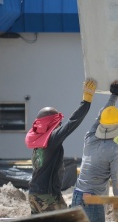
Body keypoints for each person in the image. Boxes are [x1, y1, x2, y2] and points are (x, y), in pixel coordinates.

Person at [24, 78, 97, 214]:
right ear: (53, 122)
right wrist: (86, 101)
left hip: (34, 194)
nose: (60, 125)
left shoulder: (39, 141)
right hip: (47, 196)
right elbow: (72, 123)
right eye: (58, 122)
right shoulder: (52, 139)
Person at [71, 80, 118, 222]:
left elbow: (100, 116)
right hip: (92, 200)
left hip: (77, 196)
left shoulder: (90, 137)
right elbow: (117, 180)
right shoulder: (114, 150)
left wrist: (114, 96)